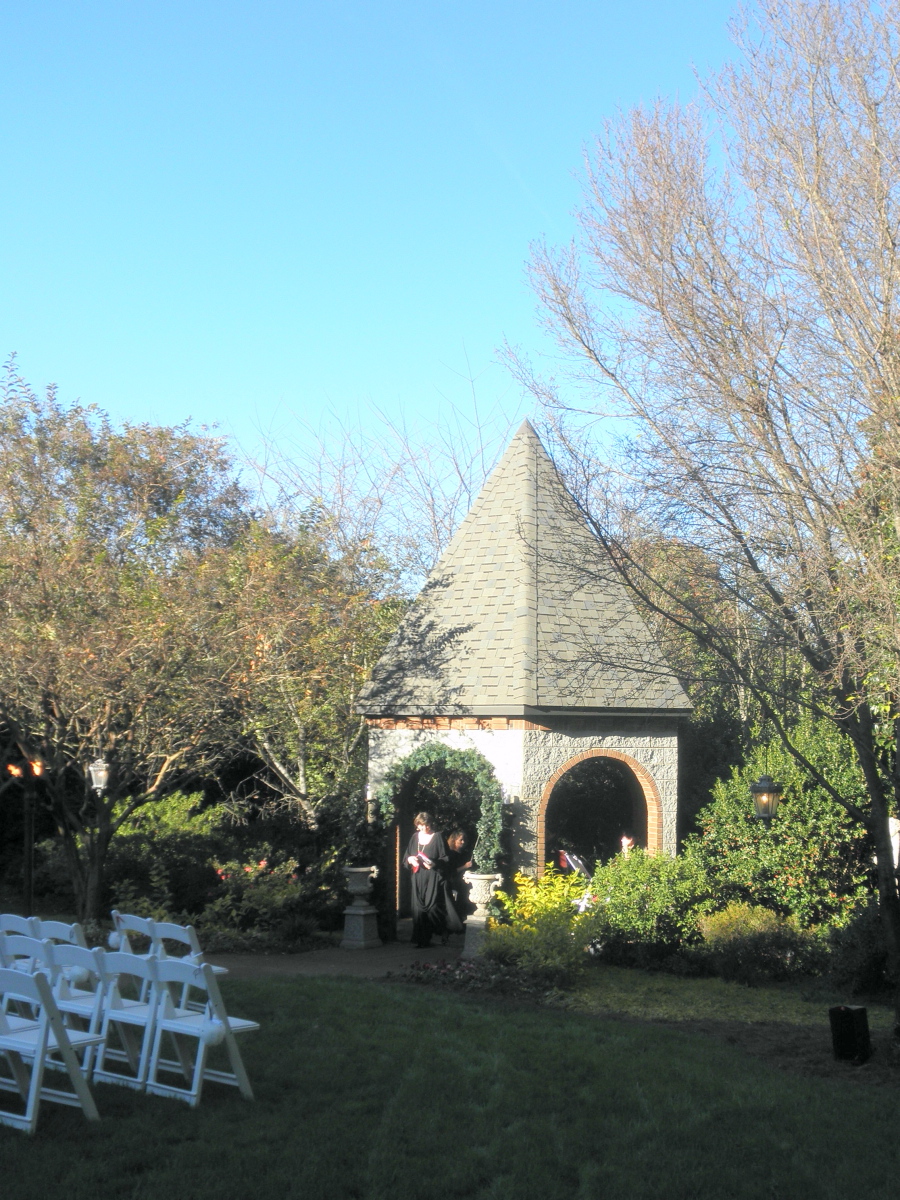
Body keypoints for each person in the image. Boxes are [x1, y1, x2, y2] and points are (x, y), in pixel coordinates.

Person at [405, 811, 464, 948]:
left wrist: (434, 863)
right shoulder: (414, 837)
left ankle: (443, 931)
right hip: (418, 876)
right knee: (419, 910)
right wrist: (410, 859)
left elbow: (446, 858)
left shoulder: (437, 837)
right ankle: (422, 940)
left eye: (427, 825)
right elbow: (407, 855)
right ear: (417, 825)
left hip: (433, 877)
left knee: (433, 908)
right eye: (422, 825)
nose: (425, 828)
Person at [446, 829, 474, 916]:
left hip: (465, 882)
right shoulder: (450, 854)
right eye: (460, 840)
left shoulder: (465, 853)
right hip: (455, 883)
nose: (463, 842)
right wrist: (465, 866)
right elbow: (450, 871)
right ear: (454, 840)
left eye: (464, 840)